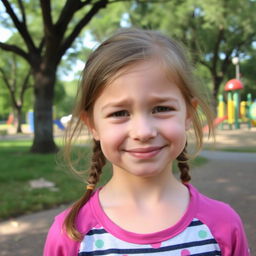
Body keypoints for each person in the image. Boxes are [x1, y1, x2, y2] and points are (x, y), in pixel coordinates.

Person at [44, 28, 250, 256]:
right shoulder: (73, 235)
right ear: (92, 125)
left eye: (161, 109)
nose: (143, 132)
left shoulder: (222, 225)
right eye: (119, 113)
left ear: (189, 115)